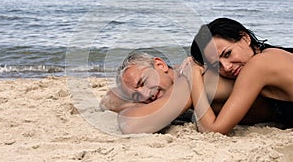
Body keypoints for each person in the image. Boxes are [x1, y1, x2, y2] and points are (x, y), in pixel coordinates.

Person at [100, 51, 280, 134]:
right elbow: (108, 99)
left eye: (144, 82)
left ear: (161, 65)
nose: (146, 95)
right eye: (136, 95)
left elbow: (131, 125)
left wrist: (134, 105)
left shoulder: (190, 78)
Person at [183, 17, 293, 134]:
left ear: (245, 38)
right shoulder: (273, 53)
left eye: (227, 54)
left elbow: (214, 130)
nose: (226, 67)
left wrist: (194, 74)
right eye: (216, 65)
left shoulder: (258, 65)